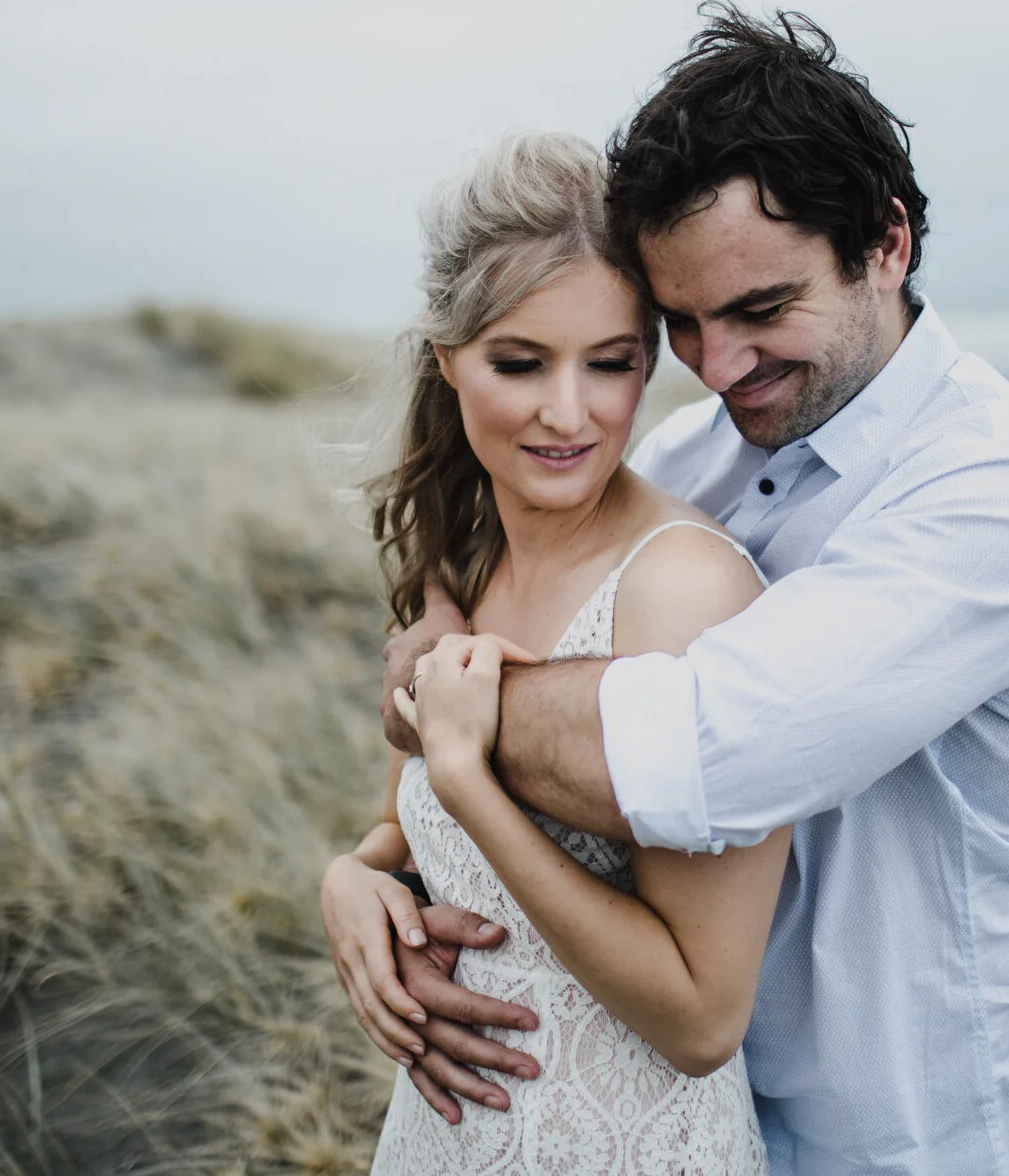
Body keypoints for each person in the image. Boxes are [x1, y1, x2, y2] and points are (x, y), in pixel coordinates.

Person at [334, 7, 1009, 1175]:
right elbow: (521, 575)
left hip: (910, 1133)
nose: (720, 363)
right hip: (689, 1112)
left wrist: (448, 706)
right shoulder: (703, 452)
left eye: (760, 311)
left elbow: (705, 752)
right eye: (682, 325)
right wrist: (358, 871)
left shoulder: (1005, 485)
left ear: (886, 242)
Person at [321, 130, 784, 1173]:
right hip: (443, 1140)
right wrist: (349, 881)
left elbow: (702, 1018)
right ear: (447, 361)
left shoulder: (679, 589)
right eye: (519, 363)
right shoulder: (462, 553)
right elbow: (400, 829)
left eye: (610, 365)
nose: (567, 414)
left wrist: (468, 782)